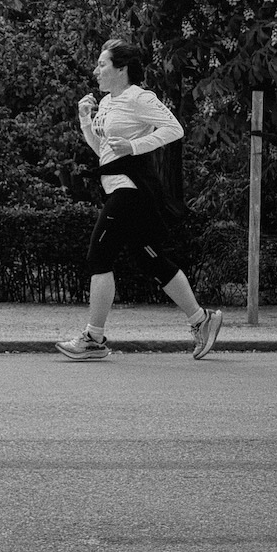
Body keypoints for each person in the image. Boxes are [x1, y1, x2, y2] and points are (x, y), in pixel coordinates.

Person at [55, 38, 223, 361]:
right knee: (151, 260)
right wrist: (85, 120)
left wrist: (133, 147)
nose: (96, 71)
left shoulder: (138, 98)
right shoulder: (106, 104)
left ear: (122, 69)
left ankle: (93, 338)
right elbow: (103, 151)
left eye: (102, 65)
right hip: (117, 186)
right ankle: (202, 321)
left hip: (130, 191)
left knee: (98, 256)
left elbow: (175, 129)